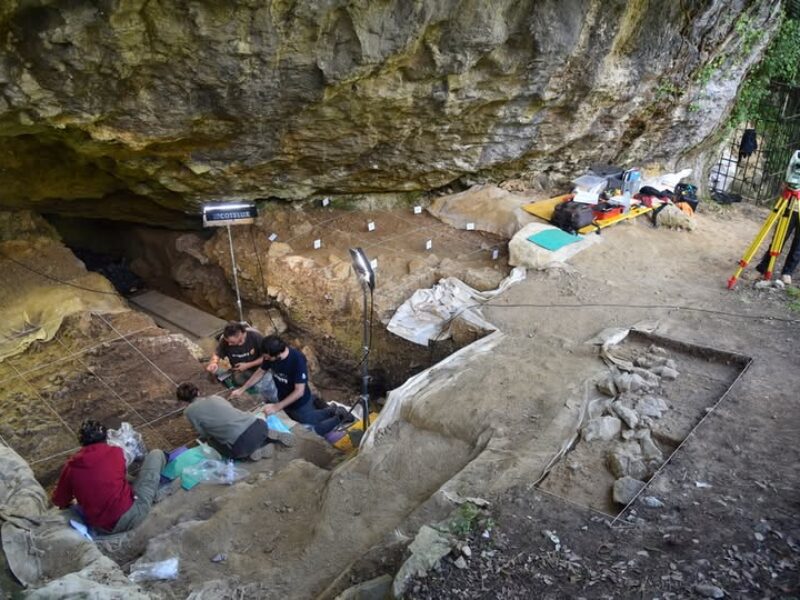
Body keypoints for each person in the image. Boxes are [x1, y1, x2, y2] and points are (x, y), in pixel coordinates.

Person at [52, 419, 165, 534]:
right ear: (106, 437)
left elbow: (59, 500)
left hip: (101, 528)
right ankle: (166, 482)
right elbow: (120, 475)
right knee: (156, 454)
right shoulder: (116, 452)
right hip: (132, 515)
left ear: (81, 442)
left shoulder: (71, 466)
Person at [231, 336, 349, 437]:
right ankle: (329, 409)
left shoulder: (297, 360)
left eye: (267, 357)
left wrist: (277, 407)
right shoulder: (270, 356)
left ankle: (339, 415)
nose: (265, 359)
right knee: (297, 417)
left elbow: (299, 391)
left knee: (308, 420)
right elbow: (260, 372)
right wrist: (242, 389)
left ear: (278, 354)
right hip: (283, 396)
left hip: (300, 401)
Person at [177, 382, 293, 460]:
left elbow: (203, 433)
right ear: (198, 392)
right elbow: (230, 410)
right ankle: (267, 434)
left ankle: (251, 454)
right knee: (247, 427)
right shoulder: (215, 398)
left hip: (240, 446)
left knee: (213, 442)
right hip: (258, 425)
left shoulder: (188, 412)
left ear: (183, 401)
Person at [206, 322, 277, 401]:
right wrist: (214, 363)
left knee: (265, 386)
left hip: (261, 369)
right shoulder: (225, 341)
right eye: (228, 341)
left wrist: (248, 365)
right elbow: (217, 353)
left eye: (232, 342)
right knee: (237, 380)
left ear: (241, 337)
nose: (229, 344)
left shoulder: (255, 337)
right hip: (241, 371)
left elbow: (267, 358)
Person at [756, 207, 800, 285]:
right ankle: (764, 267)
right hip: (791, 207)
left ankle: (787, 272)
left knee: (798, 246)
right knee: (778, 239)